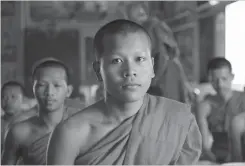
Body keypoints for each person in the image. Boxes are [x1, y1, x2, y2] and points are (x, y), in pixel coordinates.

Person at [46, 19, 202, 165]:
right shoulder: (70, 134)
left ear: (152, 66)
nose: (130, 71)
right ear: (98, 70)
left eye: (140, 59)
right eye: (117, 61)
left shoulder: (178, 121)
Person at [1, 59, 82, 165]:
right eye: (42, 85)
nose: (49, 92)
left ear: (68, 91)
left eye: (57, 85)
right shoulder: (19, 132)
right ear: (33, 89)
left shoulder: (82, 126)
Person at [126, 2, 195, 103]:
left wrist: (151, 82)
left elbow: (164, 56)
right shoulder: (143, 30)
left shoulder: (151, 26)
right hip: (164, 76)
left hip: (163, 78)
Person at [196, 57, 245, 163]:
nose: (220, 85)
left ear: (232, 77)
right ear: (209, 79)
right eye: (214, 80)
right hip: (215, 157)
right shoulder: (205, 105)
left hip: (244, 156)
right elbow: (205, 145)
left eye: (224, 79)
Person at [1, 81, 37, 151]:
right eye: (3, 97)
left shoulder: (30, 120)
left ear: (23, 99)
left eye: (13, 97)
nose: (8, 100)